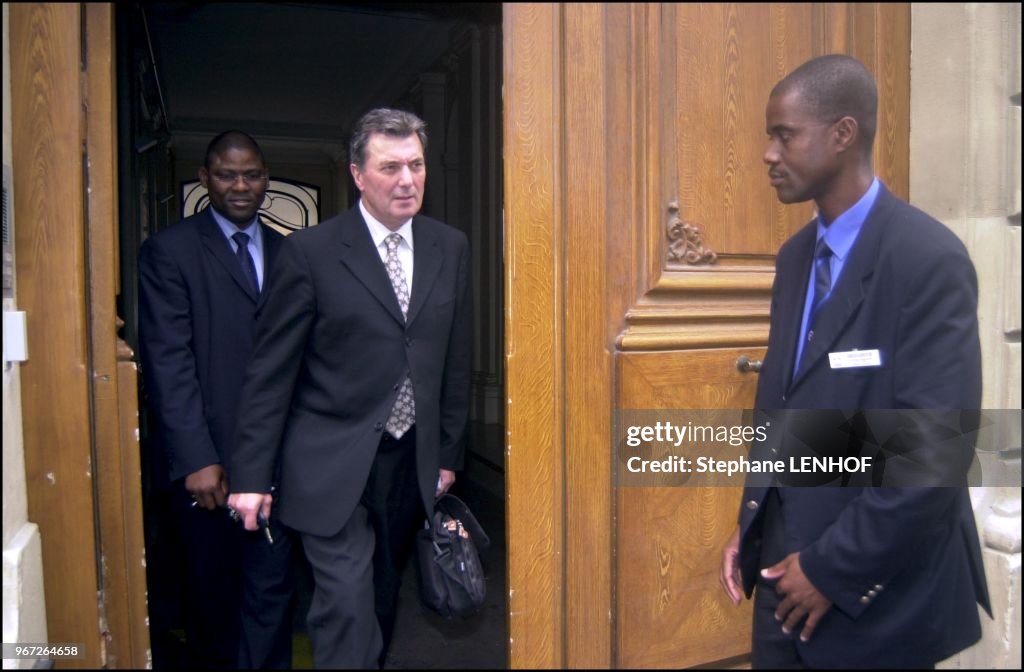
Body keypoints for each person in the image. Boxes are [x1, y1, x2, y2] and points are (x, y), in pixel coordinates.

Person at [718, 55, 991, 668]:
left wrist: (830, 569)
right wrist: (752, 520)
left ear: (843, 134)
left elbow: (934, 452)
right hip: (782, 575)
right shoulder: (794, 260)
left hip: (879, 595)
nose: (768, 152)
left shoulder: (928, 260)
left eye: (784, 134)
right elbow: (786, 406)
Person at [228, 108, 472, 669]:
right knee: (344, 604)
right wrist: (250, 476)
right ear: (358, 175)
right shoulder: (310, 253)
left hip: (408, 463)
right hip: (327, 462)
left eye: (416, 165)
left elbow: (454, 358)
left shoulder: (449, 247)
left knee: (383, 599)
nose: (407, 180)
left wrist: (448, 454)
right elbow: (271, 373)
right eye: (390, 167)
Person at [138, 130, 295, 668]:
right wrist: (196, 457)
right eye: (227, 175)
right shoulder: (170, 251)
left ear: (266, 178)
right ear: (205, 179)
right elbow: (168, 361)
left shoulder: (289, 251)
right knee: (212, 596)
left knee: (272, 594)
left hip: (279, 458)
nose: (241, 186)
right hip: (208, 464)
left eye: (251, 174)